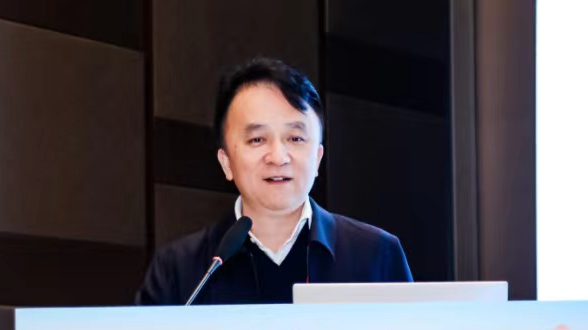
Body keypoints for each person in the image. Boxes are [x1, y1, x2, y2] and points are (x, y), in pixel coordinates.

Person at [136, 57, 413, 306]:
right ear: (226, 162)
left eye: (295, 138)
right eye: (257, 139)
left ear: (318, 158)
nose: (278, 157)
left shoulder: (376, 254)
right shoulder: (179, 270)